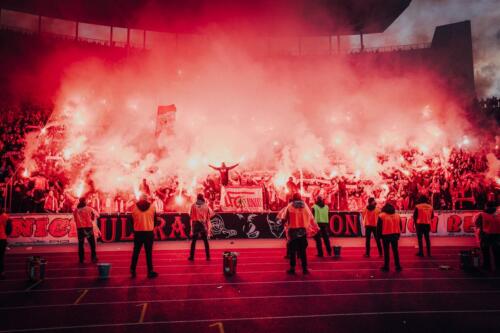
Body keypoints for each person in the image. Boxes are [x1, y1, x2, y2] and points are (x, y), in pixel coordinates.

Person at [282, 193, 319, 275]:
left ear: (293, 198)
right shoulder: (305, 206)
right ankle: (305, 269)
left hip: (293, 231)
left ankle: (292, 269)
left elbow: (283, 218)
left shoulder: (290, 206)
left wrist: (284, 224)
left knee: (292, 251)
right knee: (303, 251)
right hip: (302, 231)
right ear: (300, 198)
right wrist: (316, 227)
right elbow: (311, 217)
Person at [130, 194, 158, 278]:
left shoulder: (134, 207)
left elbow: (132, 220)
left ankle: (133, 270)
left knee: (136, 252)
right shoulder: (152, 207)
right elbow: (155, 220)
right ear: (147, 199)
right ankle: (150, 271)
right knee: (148, 253)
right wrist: (150, 226)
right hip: (148, 232)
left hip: (138, 232)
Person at [377, 201, 402, 272]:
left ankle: (386, 267)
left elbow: (379, 227)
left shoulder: (381, 215)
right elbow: (400, 226)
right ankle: (398, 266)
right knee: (395, 251)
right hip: (395, 235)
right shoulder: (397, 215)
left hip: (385, 235)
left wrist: (378, 237)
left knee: (386, 252)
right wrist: (398, 235)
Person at [73, 197, 99, 264]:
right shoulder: (89, 208)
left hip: (80, 229)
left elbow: (75, 220)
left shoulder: (76, 210)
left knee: (81, 244)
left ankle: (81, 259)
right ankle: (93, 257)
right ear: (85, 201)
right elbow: (95, 216)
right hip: (88, 228)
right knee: (92, 244)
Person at [188, 194, 214, 261]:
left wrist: (191, 228)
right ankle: (208, 256)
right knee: (205, 241)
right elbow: (209, 216)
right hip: (203, 224)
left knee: (194, 241)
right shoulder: (206, 206)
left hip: (196, 224)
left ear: (197, 198)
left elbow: (191, 216)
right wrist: (208, 228)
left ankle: (192, 256)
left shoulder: (193, 205)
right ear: (202, 198)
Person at [475, 201, 500, 270]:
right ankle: (498, 266)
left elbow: (477, 223)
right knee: (497, 252)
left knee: (486, 252)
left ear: (486, 206)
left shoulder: (482, 214)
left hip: (486, 234)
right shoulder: (498, 214)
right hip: (497, 235)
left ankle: (487, 266)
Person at [0, 208, 12, 279]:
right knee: (1, 256)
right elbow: (9, 228)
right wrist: (6, 233)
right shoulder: (5, 216)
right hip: (2, 238)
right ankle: (1, 272)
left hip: (2, 237)